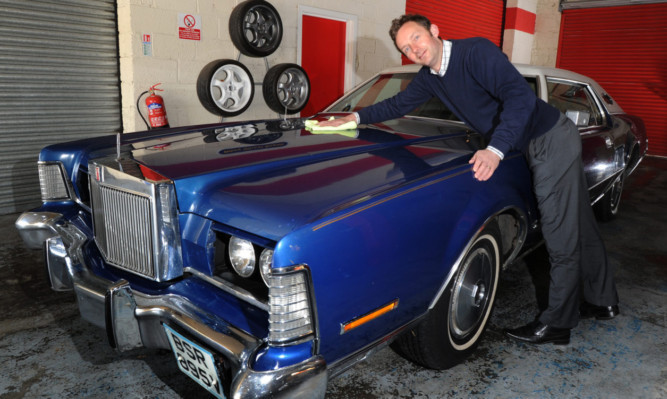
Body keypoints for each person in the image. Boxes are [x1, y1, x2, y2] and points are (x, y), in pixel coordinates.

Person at [318, 14, 619, 345]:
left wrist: (495, 150)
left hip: (549, 137)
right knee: (581, 224)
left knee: (559, 231)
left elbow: (518, 97)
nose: (414, 49)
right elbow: (398, 104)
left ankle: (559, 322)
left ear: (434, 30)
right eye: (405, 47)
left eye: (416, 39)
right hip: (532, 141)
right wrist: (354, 117)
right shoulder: (430, 77)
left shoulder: (476, 52)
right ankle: (604, 300)